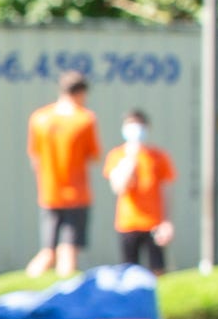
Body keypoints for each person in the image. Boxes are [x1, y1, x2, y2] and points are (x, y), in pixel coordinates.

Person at [25, 70, 101, 276]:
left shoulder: (39, 118)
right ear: (81, 93)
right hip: (76, 194)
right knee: (68, 250)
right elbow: (93, 156)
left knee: (47, 251)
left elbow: (35, 158)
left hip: (49, 193)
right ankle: (65, 293)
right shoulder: (84, 119)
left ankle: (29, 281)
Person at [106, 108, 176, 272]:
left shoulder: (158, 156)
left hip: (153, 223)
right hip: (128, 223)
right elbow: (119, 187)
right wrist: (131, 158)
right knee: (129, 272)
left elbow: (167, 190)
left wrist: (167, 221)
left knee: (158, 271)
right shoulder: (117, 155)